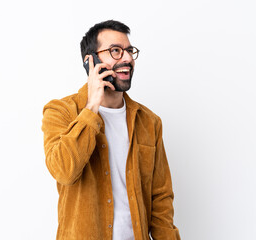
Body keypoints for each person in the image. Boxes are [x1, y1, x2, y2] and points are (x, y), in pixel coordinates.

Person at [42, 20, 180, 240]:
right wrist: (92, 107)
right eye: (115, 51)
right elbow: (64, 170)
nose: (127, 58)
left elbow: (160, 199)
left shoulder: (149, 122)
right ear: (90, 61)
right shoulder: (61, 111)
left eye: (129, 51)